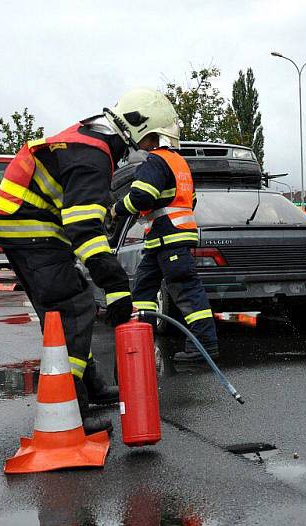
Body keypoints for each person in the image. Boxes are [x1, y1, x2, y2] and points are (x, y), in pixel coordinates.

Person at [0, 90, 169, 433]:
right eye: (151, 138)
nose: (150, 147)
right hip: (31, 229)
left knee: (65, 310)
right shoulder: (92, 156)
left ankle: (90, 386)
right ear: (135, 125)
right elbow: (84, 228)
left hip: (25, 227)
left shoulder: (90, 138)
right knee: (74, 308)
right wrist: (116, 285)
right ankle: (70, 410)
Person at [111, 93, 219, 363]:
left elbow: (141, 197)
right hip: (162, 240)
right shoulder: (178, 162)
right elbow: (188, 199)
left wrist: (115, 209)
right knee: (144, 291)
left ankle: (203, 349)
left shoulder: (154, 162)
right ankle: (143, 339)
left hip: (168, 239)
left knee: (187, 294)